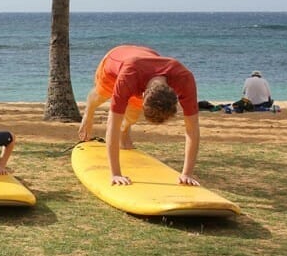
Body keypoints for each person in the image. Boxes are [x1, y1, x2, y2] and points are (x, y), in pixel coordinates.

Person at [77, 45, 201, 186]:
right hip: (114, 61)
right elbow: (112, 125)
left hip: (145, 62)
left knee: (133, 115)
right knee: (101, 95)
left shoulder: (184, 79)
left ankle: (125, 131)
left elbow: (192, 129)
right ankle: (89, 112)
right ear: (143, 96)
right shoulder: (128, 76)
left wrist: (187, 174)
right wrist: (116, 174)